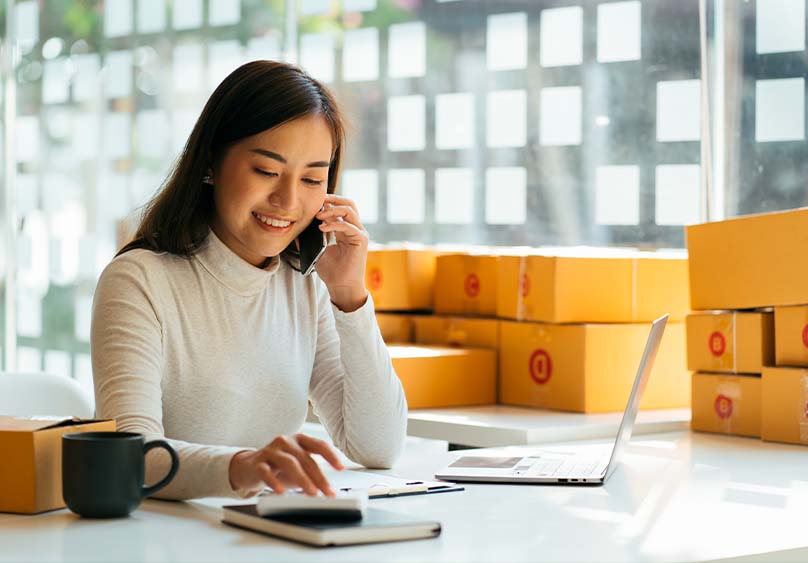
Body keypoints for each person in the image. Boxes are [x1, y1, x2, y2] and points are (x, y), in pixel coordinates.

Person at [91, 60, 407, 500]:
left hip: (264, 534)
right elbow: (131, 456)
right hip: (166, 539)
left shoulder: (304, 285)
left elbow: (378, 446)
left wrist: (350, 297)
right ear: (210, 163)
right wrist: (244, 466)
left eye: (313, 178)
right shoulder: (139, 280)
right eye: (266, 171)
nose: (288, 200)